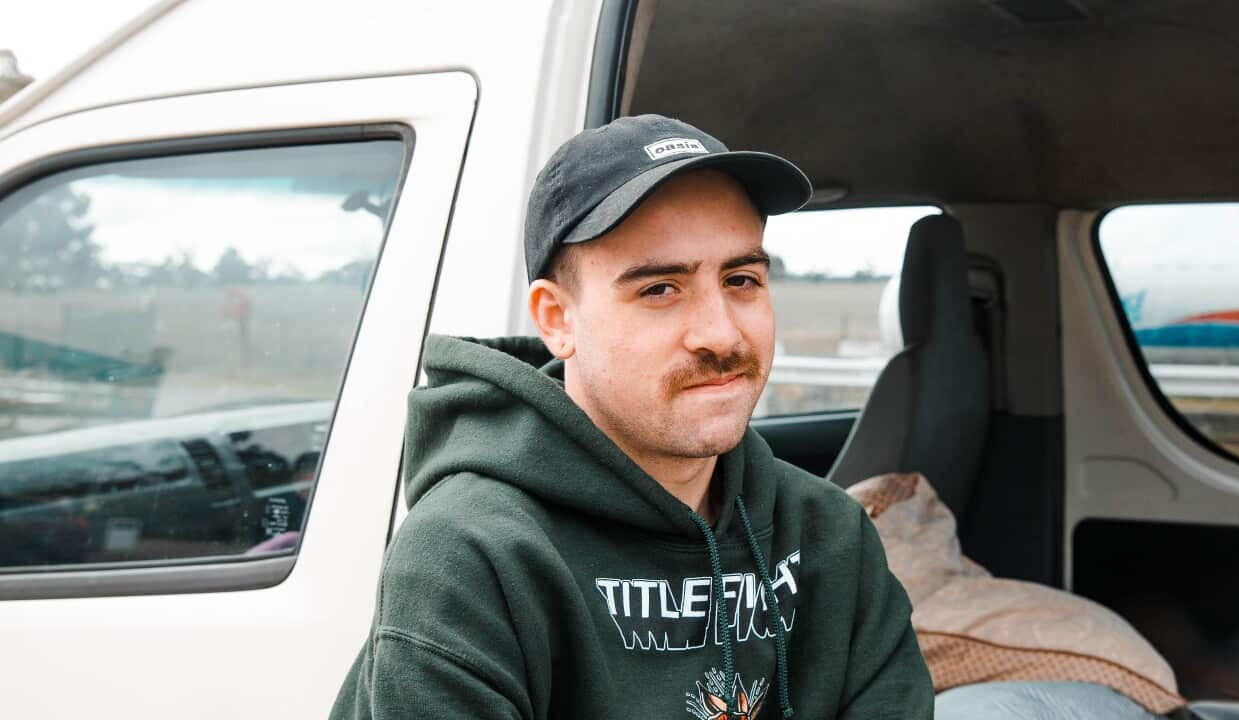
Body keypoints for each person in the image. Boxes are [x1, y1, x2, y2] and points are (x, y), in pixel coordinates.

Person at [330, 114, 934, 719]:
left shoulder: (830, 534)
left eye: (741, 279)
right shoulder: (473, 557)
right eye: (660, 290)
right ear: (558, 319)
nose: (721, 334)